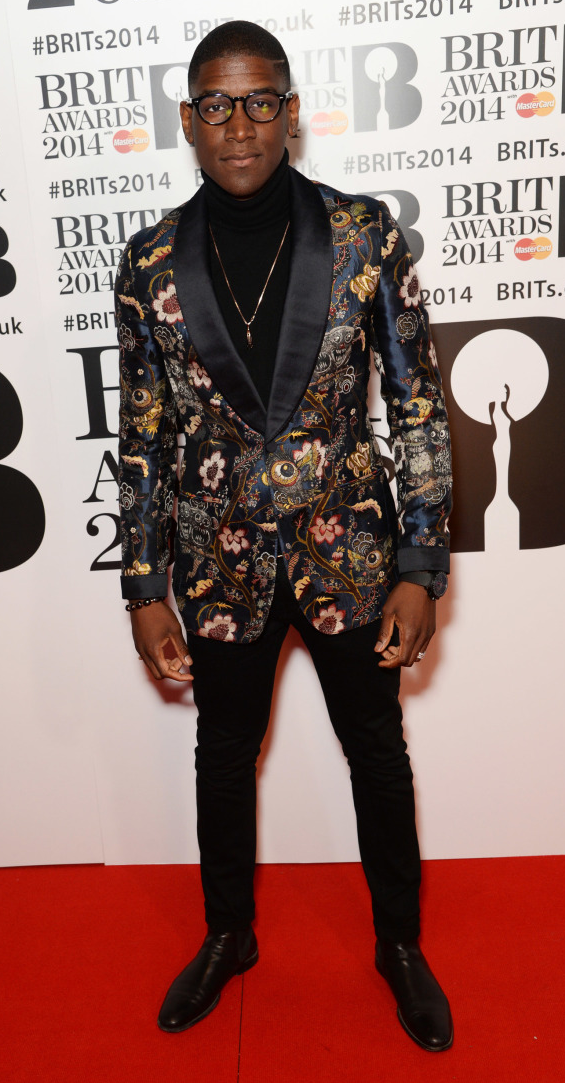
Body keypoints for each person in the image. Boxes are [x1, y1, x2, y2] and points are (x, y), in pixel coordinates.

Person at [116, 21, 453, 1052]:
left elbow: (418, 406)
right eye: (217, 105)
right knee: (222, 755)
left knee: (377, 751)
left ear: (291, 111)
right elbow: (144, 433)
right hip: (217, 563)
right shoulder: (149, 262)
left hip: (350, 553)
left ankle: (399, 944)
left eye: (260, 101)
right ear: (188, 119)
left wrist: (420, 563)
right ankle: (229, 934)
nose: (240, 126)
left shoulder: (362, 236)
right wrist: (143, 586)